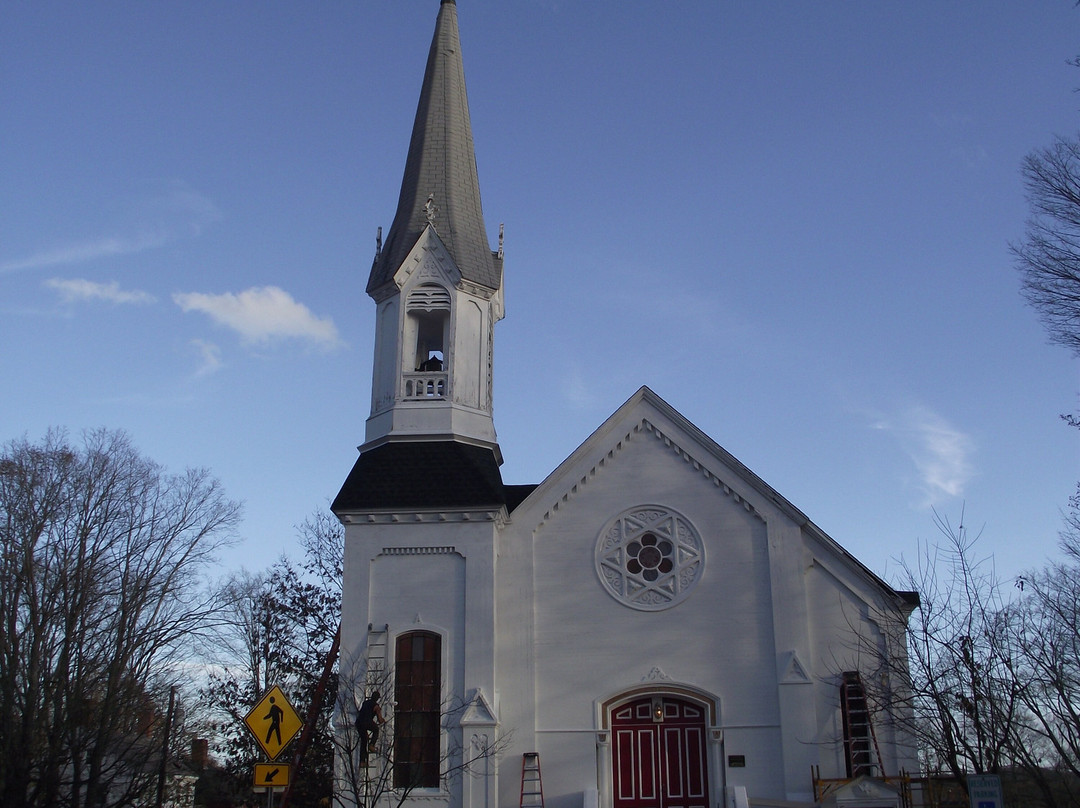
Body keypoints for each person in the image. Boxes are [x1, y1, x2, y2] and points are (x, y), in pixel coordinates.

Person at [355, 690, 387, 756]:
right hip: (367, 721)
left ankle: (362, 761)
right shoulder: (376, 706)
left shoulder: (365, 703)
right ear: (377, 698)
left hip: (358, 722)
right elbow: (380, 720)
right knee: (376, 730)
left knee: (364, 739)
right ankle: (372, 745)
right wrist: (384, 720)